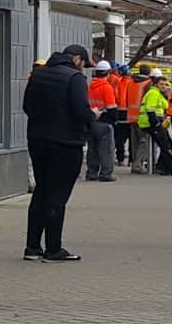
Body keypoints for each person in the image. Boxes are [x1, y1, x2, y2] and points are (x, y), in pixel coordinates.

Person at [22, 44, 95, 261]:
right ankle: (54, 249)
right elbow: (81, 111)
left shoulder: (38, 74)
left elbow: (27, 106)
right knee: (58, 194)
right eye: (83, 63)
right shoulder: (75, 78)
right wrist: (94, 117)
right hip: (66, 143)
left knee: (41, 191)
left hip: (37, 140)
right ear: (77, 59)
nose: (83, 68)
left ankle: (32, 247)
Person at [138, 69, 172, 175]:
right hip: (150, 123)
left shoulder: (158, 93)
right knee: (166, 145)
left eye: (165, 84)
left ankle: (162, 167)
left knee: (167, 144)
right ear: (155, 84)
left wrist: (167, 94)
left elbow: (165, 105)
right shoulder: (153, 93)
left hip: (154, 123)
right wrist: (156, 124)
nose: (163, 86)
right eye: (161, 84)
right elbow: (150, 109)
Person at [84, 60, 119, 182]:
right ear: (108, 73)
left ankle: (91, 173)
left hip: (92, 121)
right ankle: (105, 174)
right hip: (104, 122)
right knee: (106, 150)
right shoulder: (106, 87)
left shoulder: (90, 86)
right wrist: (113, 120)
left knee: (92, 149)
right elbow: (111, 107)